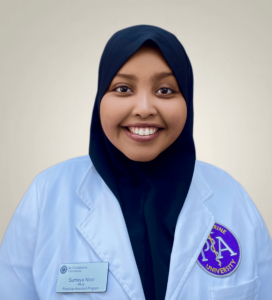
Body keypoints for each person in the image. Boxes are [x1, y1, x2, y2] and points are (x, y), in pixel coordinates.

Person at [0, 24, 271, 300]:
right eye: (123, 88)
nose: (144, 108)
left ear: (187, 99)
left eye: (165, 91)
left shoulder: (233, 198)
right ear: (99, 100)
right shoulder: (46, 195)